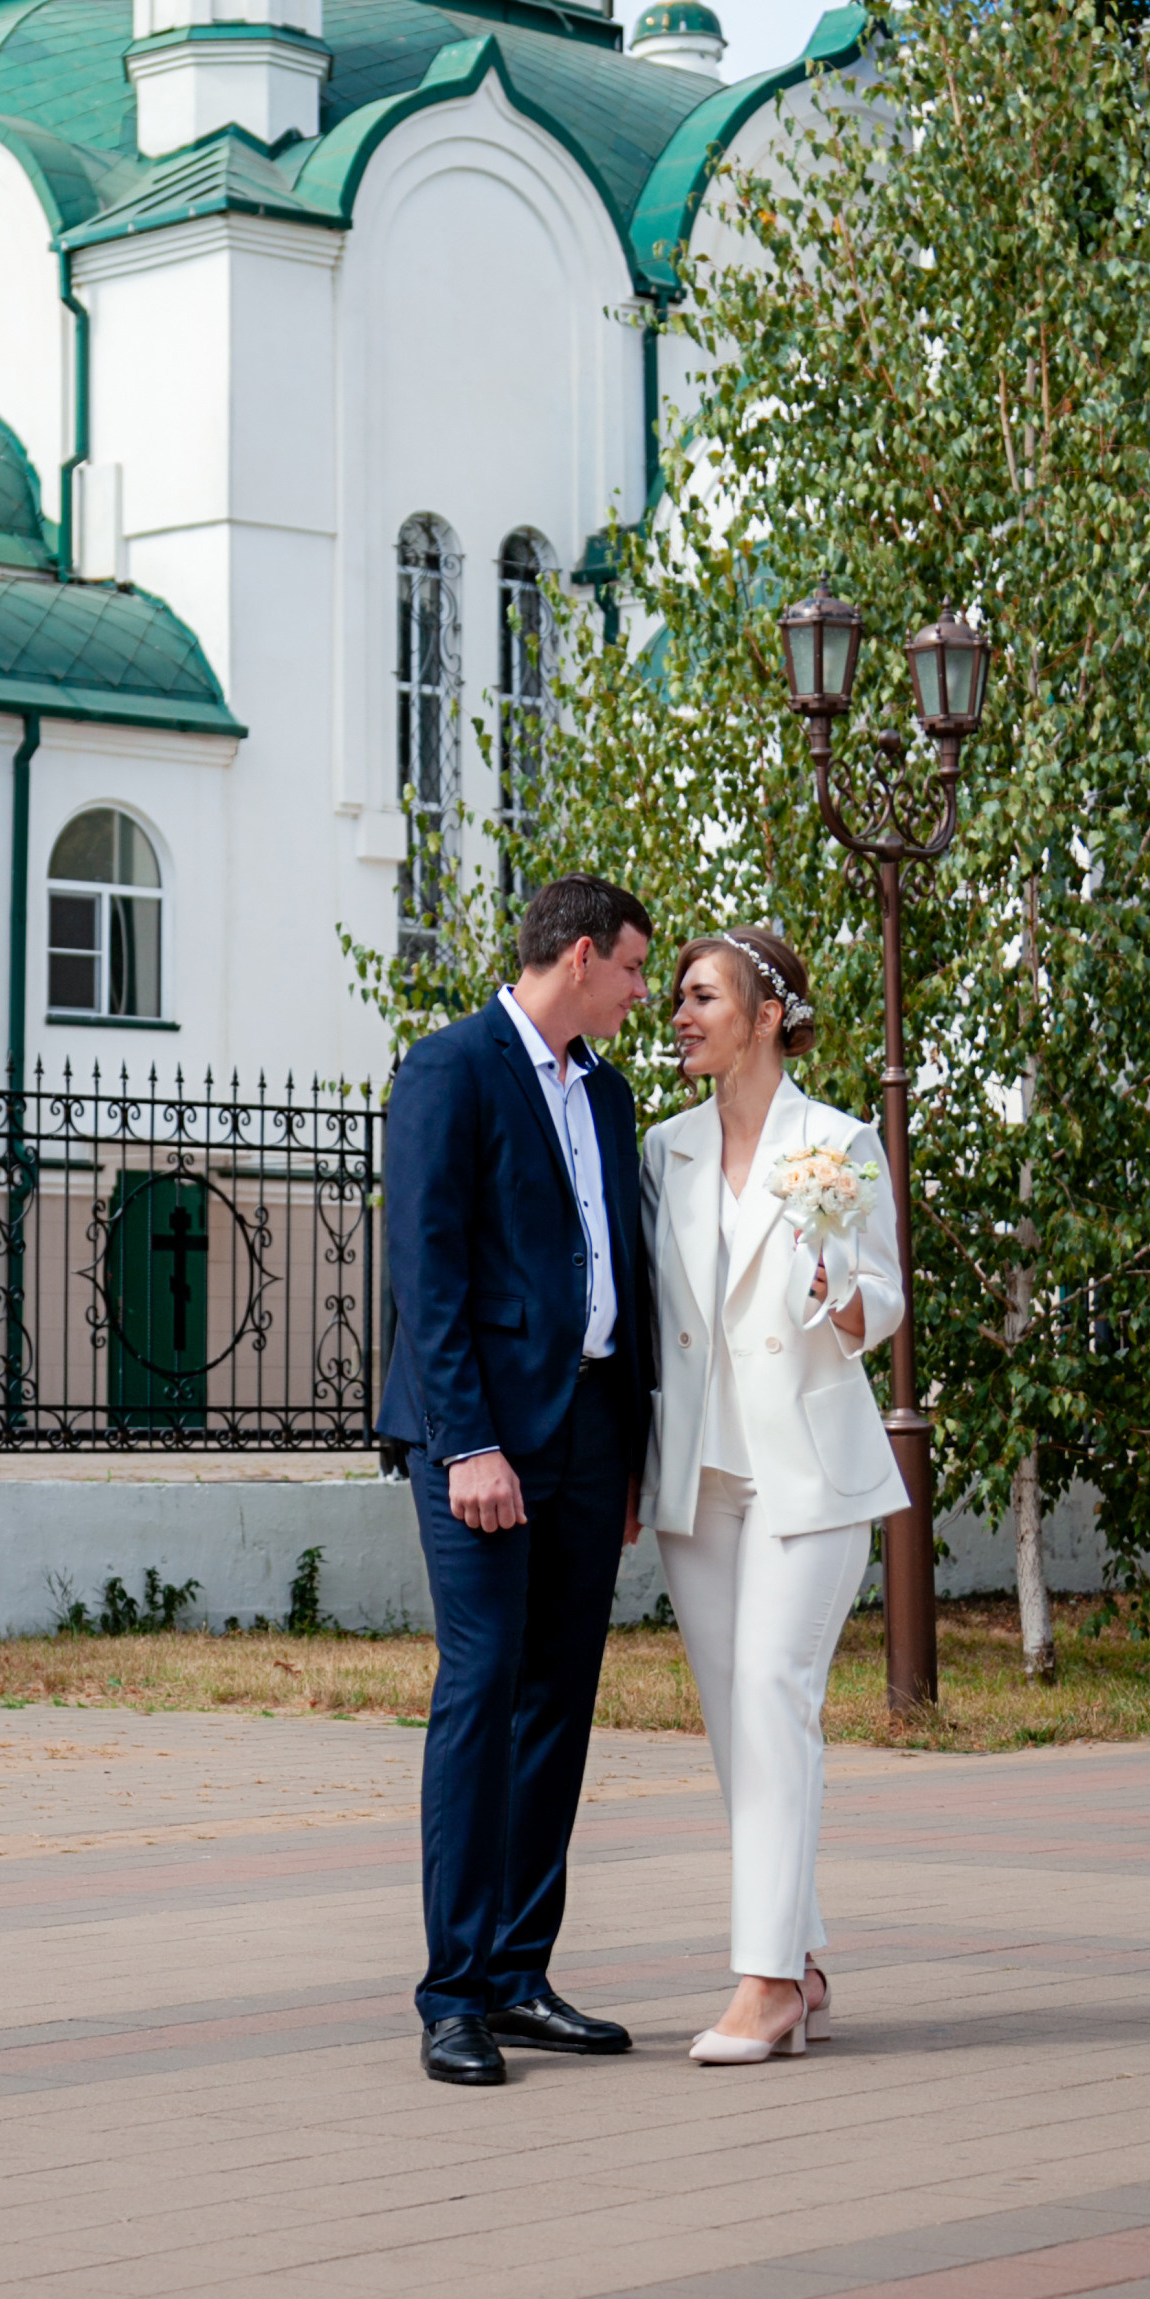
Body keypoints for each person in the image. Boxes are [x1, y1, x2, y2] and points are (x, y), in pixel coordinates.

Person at [380, 874, 657, 2086]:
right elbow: (425, 1272)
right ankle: (451, 1994)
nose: (644, 993)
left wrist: (632, 1445)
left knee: (559, 1696)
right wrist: (465, 1443)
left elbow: (616, 1268)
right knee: (481, 1688)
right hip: (484, 1436)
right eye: (635, 970)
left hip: (592, 1429)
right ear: (581, 955)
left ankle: (517, 1972)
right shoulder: (449, 1067)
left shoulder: (605, 1089)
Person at [639, 924, 908, 2066]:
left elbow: (880, 1300)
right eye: (675, 999)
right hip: (699, 1479)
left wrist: (836, 1294)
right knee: (735, 1725)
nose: (679, 1015)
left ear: (765, 1012)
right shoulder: (663, 1148)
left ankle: (760, 1987)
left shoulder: (837, 1140)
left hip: (808, 1472)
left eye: (701, 995)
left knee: (770, 1692)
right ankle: (798, 1957)